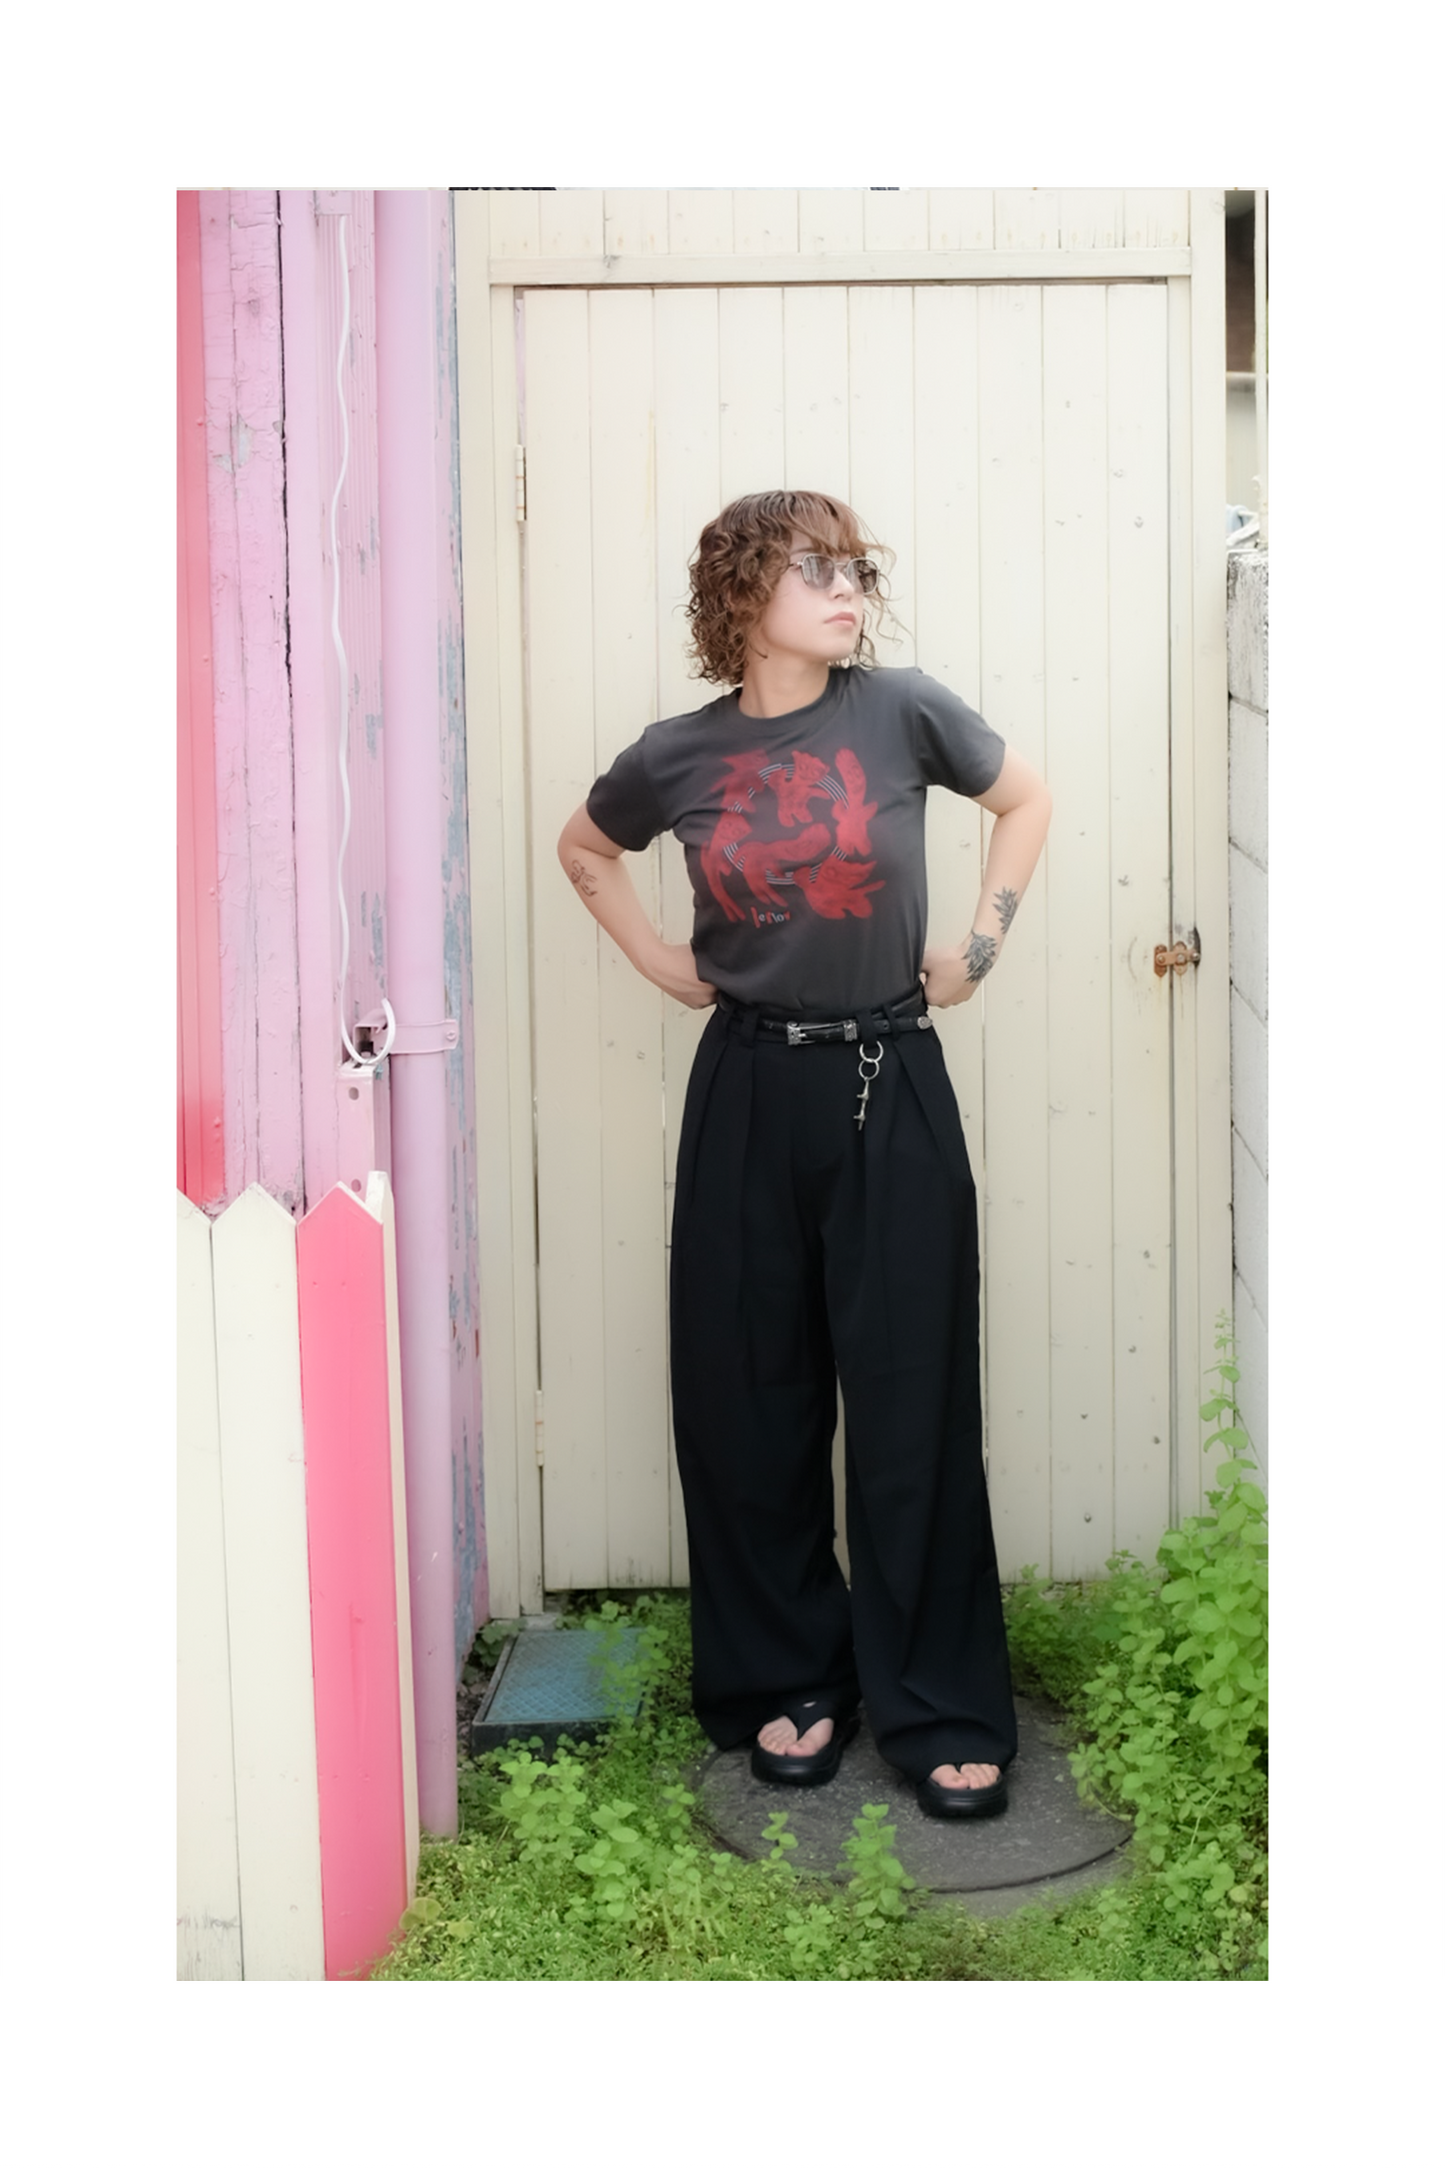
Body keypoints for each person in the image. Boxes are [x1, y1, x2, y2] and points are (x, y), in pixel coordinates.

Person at [557, 490, 1051, 1821]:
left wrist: (980, 946)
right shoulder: (677, 755)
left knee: (912, 1401)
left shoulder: (904, 713)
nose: (847, 591)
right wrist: (661, 959)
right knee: (748, 1398)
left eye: (856, 570)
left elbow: (1024, 800)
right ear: (741, 595)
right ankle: (790, 1676)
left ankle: (938, 1701)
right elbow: (586, 847)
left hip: (892, 1077)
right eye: (814, 569)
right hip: (748, 1087)